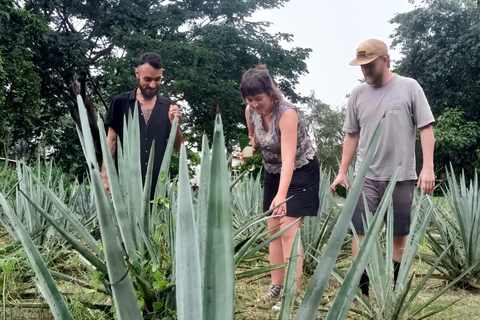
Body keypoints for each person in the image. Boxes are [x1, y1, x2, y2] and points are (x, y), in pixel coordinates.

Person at [330, 39, 435, 298]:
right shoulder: (357, 94)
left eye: (370, 65)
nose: (364, 71)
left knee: (399, 233)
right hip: (366, 177)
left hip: (402, 176)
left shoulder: (409, 87)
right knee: (360, 232)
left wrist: (428, 166)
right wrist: (343, 171)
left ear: (386, 61)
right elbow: (351, 135)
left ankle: (394, 290)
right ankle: (362, 292)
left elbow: (426, 128)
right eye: (361, 66)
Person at [239, 65, 320, 302]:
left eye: (258, 99)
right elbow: (251, 137)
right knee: (273, 228)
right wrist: (247, 150)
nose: (254, 104)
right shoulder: (250, 111)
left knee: (288, 229)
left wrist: (282, 195)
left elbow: (288, 158)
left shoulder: (287, 114)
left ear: (271, 93)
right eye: (249, 99)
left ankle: (290, 294)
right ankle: (276, 285)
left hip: (300, 171)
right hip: (273, 172)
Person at [102, 52, 183, 199]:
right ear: (137, 73)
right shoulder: (121, 102)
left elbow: (178, 145)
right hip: (126, 187)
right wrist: (105, 176)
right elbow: (111, 141)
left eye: (158, 79)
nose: (152, 85)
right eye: (148, 79)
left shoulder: (168, 107)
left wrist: (175, 125)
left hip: (158, 189)